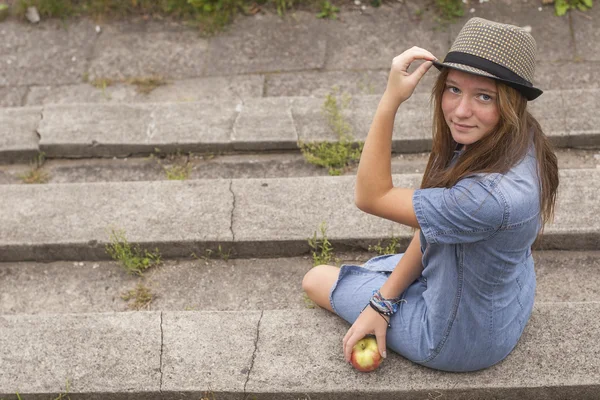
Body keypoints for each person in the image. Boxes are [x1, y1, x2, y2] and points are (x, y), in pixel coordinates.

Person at [302, 17, 559, 372]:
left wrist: (391, 99)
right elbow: (436, 222)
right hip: (506, 299)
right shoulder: (518, 136)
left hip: (456, 337)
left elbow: (371, 196)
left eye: (484, 96)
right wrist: (383, 302)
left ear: (512, 103)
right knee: (382, 279)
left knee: (315, 279)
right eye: (453, 89)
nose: (461, 110)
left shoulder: (486, 198)